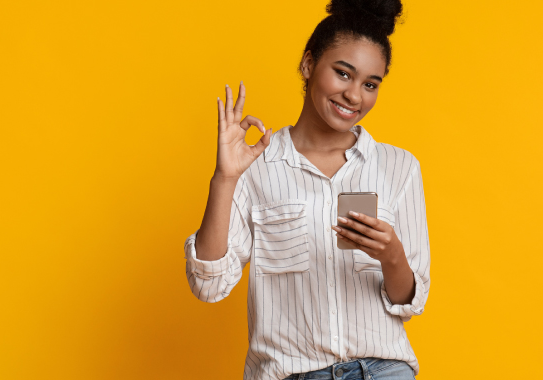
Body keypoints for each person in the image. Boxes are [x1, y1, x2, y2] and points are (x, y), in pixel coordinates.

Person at [184, 0, 430, 379]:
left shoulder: (400, 167)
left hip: (384, 370)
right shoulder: (255, 165)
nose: (354, 96)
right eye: (343, 73)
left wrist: (392, 254)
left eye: (370, 84)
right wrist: (225, 178)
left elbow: (409, 302)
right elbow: (209, 285)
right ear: (308, 63)